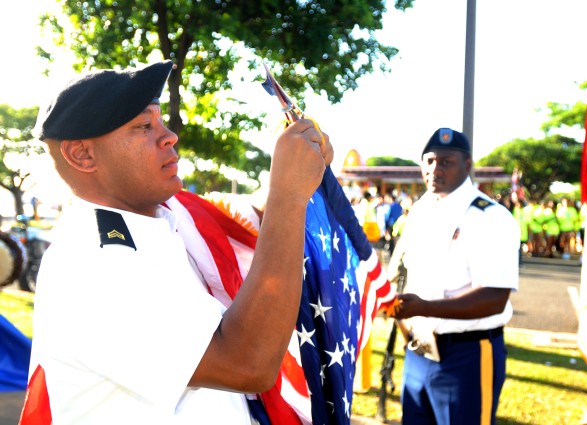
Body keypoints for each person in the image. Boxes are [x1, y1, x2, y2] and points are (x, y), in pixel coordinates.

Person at [19, 61, 333, 423]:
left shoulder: (161, 219)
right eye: (143, 126)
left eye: (161, 121)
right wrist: (288, 193)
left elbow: (234, 219)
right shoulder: (86, 264)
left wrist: (299, 164)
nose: (169, 136)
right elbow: (248, 363)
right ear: (83, 155)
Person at [391, 128, 519, 425]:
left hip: (468, 357)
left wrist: (423, 308)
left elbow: (494, 299)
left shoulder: (491, 217)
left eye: (446, 161)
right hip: (418, 352)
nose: (435, 169)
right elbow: (406, 274)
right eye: (430, 160)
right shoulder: (420, 209)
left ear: (468, 164)